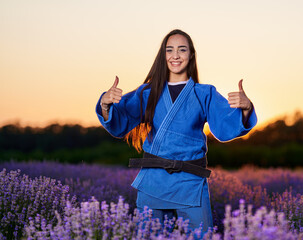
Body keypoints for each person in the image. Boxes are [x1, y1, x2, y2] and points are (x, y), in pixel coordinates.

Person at [96, 29, 257, 231]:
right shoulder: (148, 92)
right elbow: (120, 122)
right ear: (163, 55)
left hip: (190, 180)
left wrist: (246, 108)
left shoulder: (204, 93)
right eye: (169, 50)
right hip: (153, 181)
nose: (175, 55)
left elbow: (225, 126)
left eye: (182, 50)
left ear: (191, 55)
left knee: (201, 235)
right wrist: (105, 104)